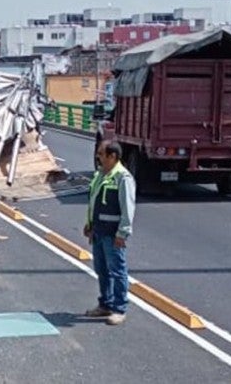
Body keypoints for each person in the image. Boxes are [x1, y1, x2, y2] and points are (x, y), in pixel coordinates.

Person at [83, 140, 136, 326]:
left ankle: (119, 309)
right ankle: (105, 304)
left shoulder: (123, 178)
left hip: (113, 234)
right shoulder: (100, 175)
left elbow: (128, 209)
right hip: (98, 231)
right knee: (101, 270)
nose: (98, 157)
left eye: (101, 154)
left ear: (112, 156)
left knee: (117, 271)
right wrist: (89, 224)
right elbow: (93, 201)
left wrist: (123, 233)